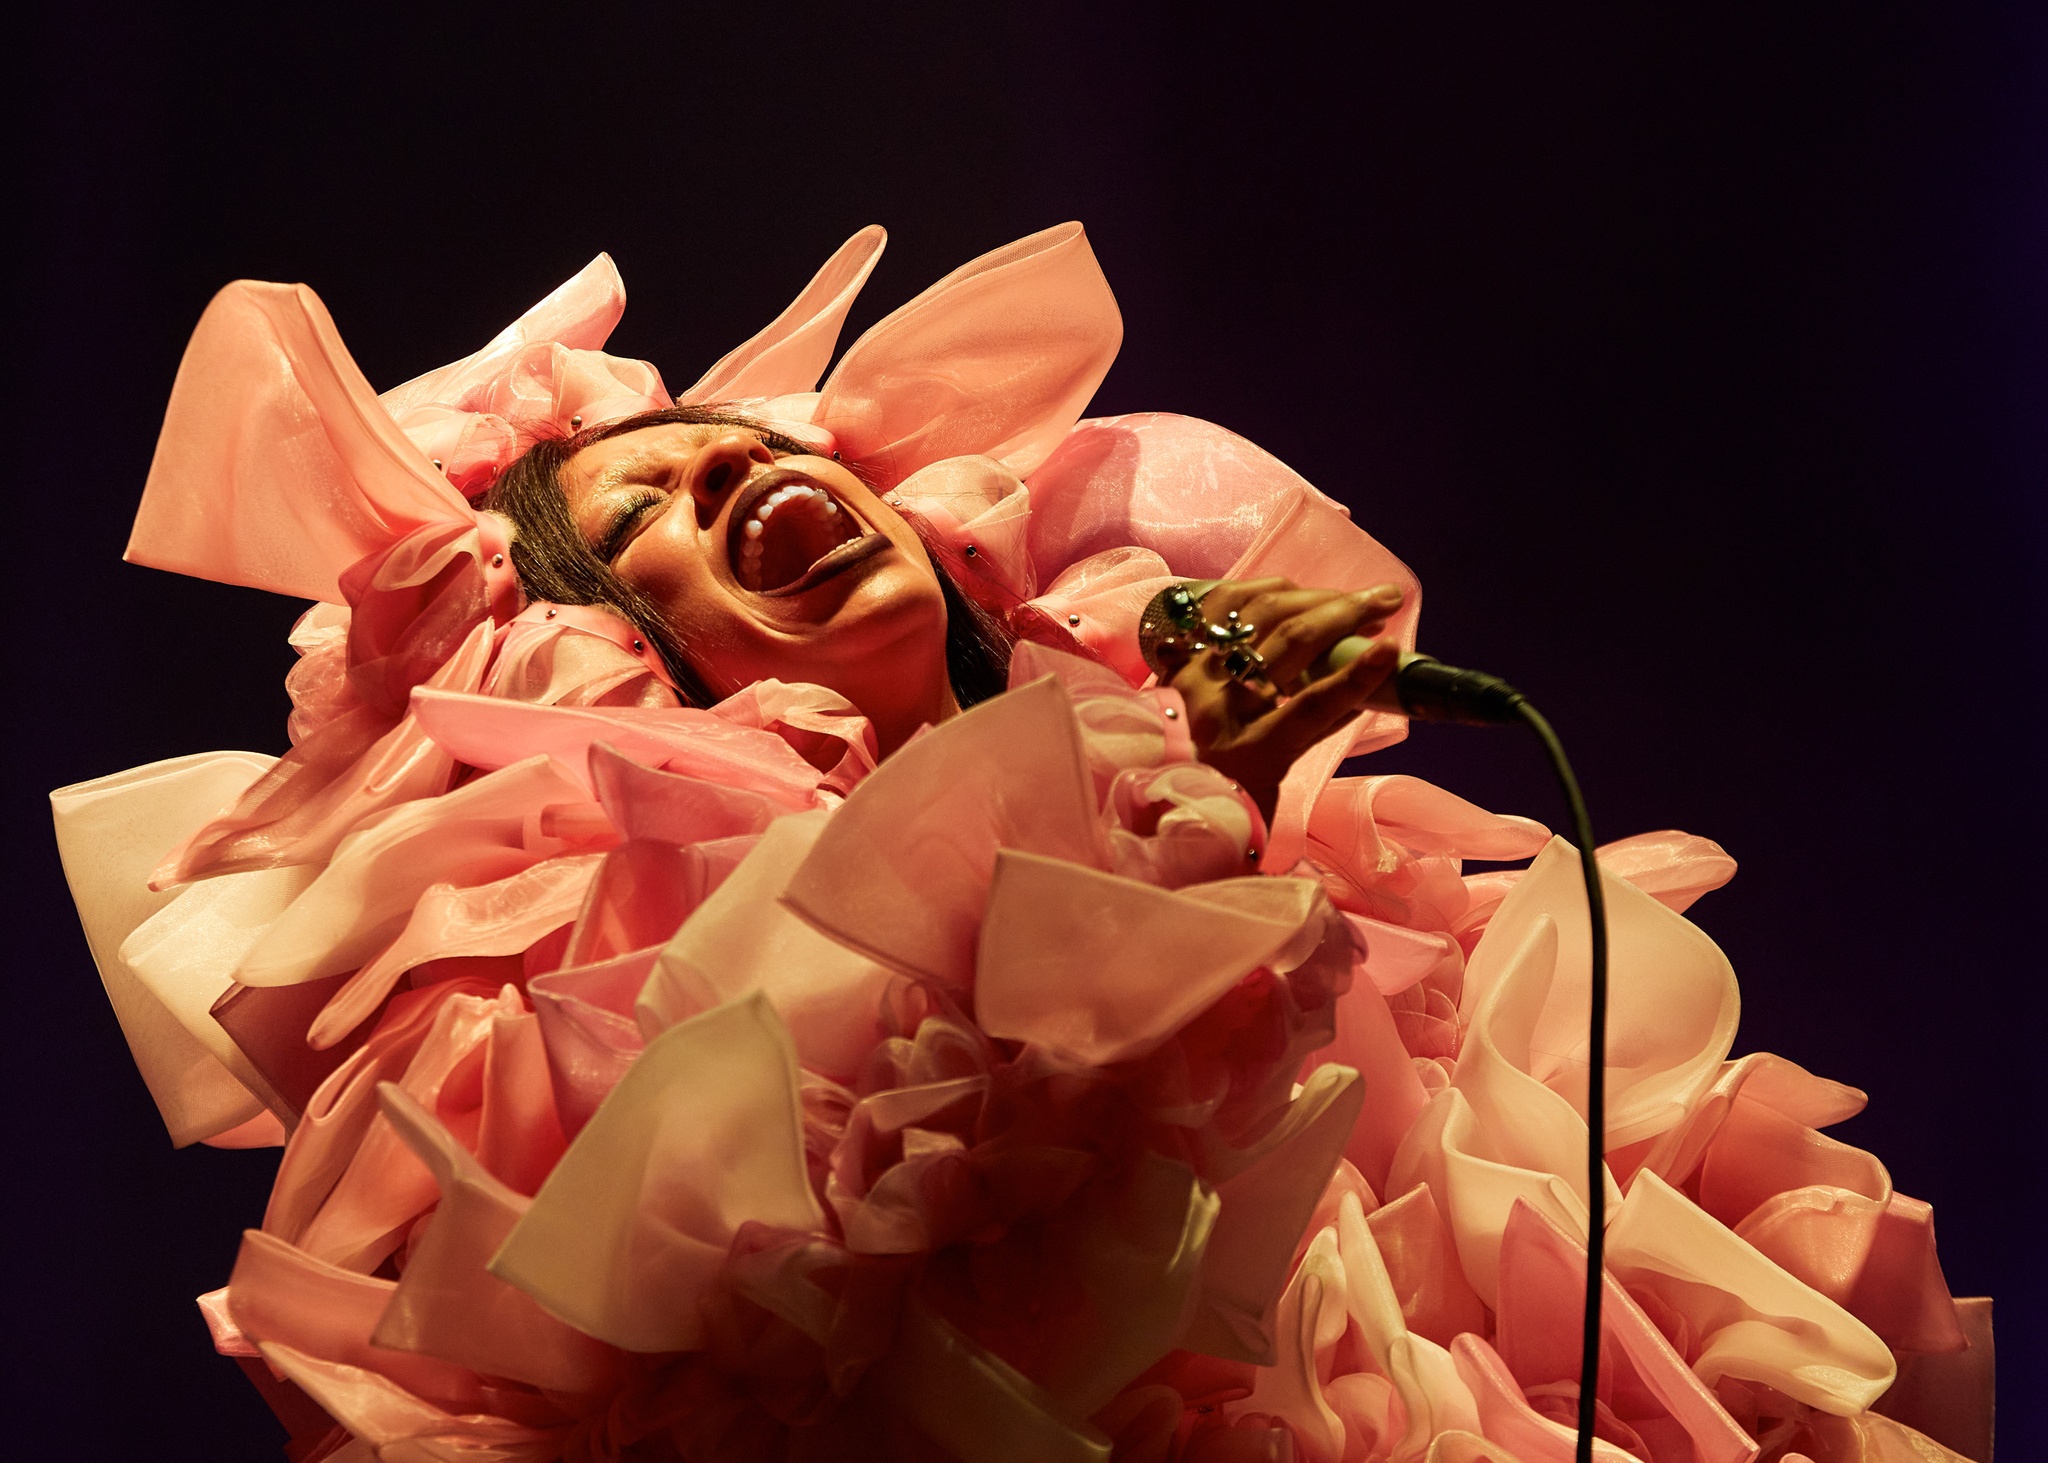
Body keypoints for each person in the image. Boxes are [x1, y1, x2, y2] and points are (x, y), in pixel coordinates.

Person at [51, 224, 1991, 1463]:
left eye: (767, 446)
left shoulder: (1306, 873)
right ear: (572, 655)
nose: (751, 461)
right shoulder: (590, 1011)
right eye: (652, 497)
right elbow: (827, 1350)